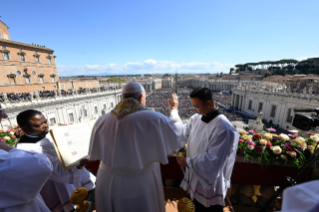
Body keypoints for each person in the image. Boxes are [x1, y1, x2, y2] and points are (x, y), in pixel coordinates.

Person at [89, 82, 183, 212]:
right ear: (140, 98)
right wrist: (174, 110)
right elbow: (178, 131)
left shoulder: (102, 120)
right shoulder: (153, 118)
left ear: (123, 97)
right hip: (138, 184)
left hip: (105, 180)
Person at [171, 87, 239, 212]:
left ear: (208, 103)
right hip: (194, 177)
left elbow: (213, 159)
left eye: (196, 107)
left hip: (210, 184)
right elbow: (181, 135)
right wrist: (174, 112)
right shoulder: (195, 118)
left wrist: (187, 162)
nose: (194, 110)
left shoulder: (224, 127)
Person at [16, 110, 95, 212]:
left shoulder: (52, 133)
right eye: (40, 124)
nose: (45, 125)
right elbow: (51, 169)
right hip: (58, 186)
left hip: (79, 178)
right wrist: (76, 165)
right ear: (24, 128)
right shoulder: (25, 150)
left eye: (45, 121)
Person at [0, 106, 53, 212]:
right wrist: (7, 148)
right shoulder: (24, 146)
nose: (5, 116)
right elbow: (42, 165)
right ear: (24, 129)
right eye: (0, 111)